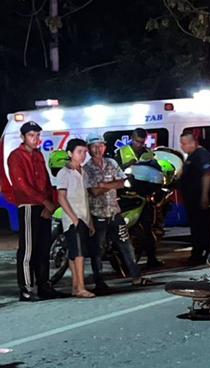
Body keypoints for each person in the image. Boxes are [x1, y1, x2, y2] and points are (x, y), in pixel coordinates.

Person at [4, 121, 60, 300]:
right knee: (28, 249)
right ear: (23, 137)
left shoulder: (38, 155)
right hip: (28, 206)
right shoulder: (16, 156)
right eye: (31, 135)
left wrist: (51, 202)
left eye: (37, 135)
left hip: (43, 206)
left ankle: (44, 286)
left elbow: (45, 181)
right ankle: (26, 289)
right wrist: (45, 201)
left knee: (43, 248)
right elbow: (21, 186)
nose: (35, 139)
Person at [83, 135, 146, 293]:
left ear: (104, 147)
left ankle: (136, 277)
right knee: (97, 250)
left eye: (100, 146)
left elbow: (122, 182)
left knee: (126, 244)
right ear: (89, 149)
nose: (98, 149)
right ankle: (99, 282)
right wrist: (111, 185)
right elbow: (94, 191)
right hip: (97, 215)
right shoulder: (86, 168)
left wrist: (104, 184)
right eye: (94, 146)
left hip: (115, 213)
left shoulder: (112, 163)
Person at [54, 138, 95, 298]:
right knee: (78, 254)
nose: (83, 155)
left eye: (85, 152)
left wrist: (89, 221)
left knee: (75, 253)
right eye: (79, 152)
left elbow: (85, 198)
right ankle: (81, 288)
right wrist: (74, 219)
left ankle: (76, 286)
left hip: (83, 217)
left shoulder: (83, 172)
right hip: (73, 219)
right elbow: (61, 198)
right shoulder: (64, 172)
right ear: (70, 153)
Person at [116, 127, 162, 269]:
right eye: (137, 141)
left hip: (143, 195)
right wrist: (128, 166)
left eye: (142, 142)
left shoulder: (148, 153)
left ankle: (151, 258)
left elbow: (156, 171)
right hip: (125, 194)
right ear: (132, 138)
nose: (139, 144)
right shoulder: (121, 152)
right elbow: (115, 169)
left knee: (147, 228)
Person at [178, 129, 210, 265]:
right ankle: (197, 254)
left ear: (193, 143)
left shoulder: (201, 154)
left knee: (203, 227)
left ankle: (205, 254)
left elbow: (208, 174)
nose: (182, 146)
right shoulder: (191, 156)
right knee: (197, 227)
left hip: (201, 199)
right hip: (193, 200)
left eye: (184, 143)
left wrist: (204, 196)